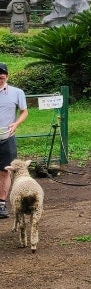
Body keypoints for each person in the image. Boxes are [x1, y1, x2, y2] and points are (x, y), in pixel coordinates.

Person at [0, 62, 29, 220]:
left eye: (2, 76)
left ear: (7, 76)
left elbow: (24, 111)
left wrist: (16, 123)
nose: (0, 79)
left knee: (5, 171)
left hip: (7, 137)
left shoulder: (17, 92)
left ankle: (2, 204)